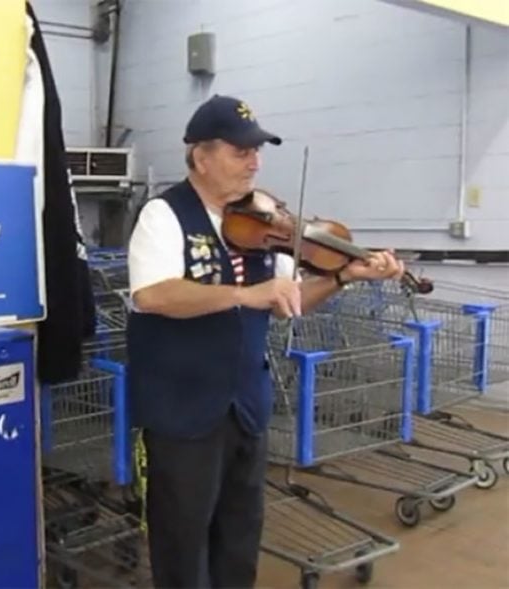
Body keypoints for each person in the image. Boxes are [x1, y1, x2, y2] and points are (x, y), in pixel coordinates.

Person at [125, 94, 405, 589]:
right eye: (240, 151)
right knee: (182, 544)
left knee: (239, 538)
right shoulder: (162, 216)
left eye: (258, 151)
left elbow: (289, 297)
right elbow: (154, 295)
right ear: (201, 156)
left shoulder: (264, 222)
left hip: (245, 408)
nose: (254, 162)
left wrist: (344, 277)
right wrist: (245, 293)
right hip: (181, 412)